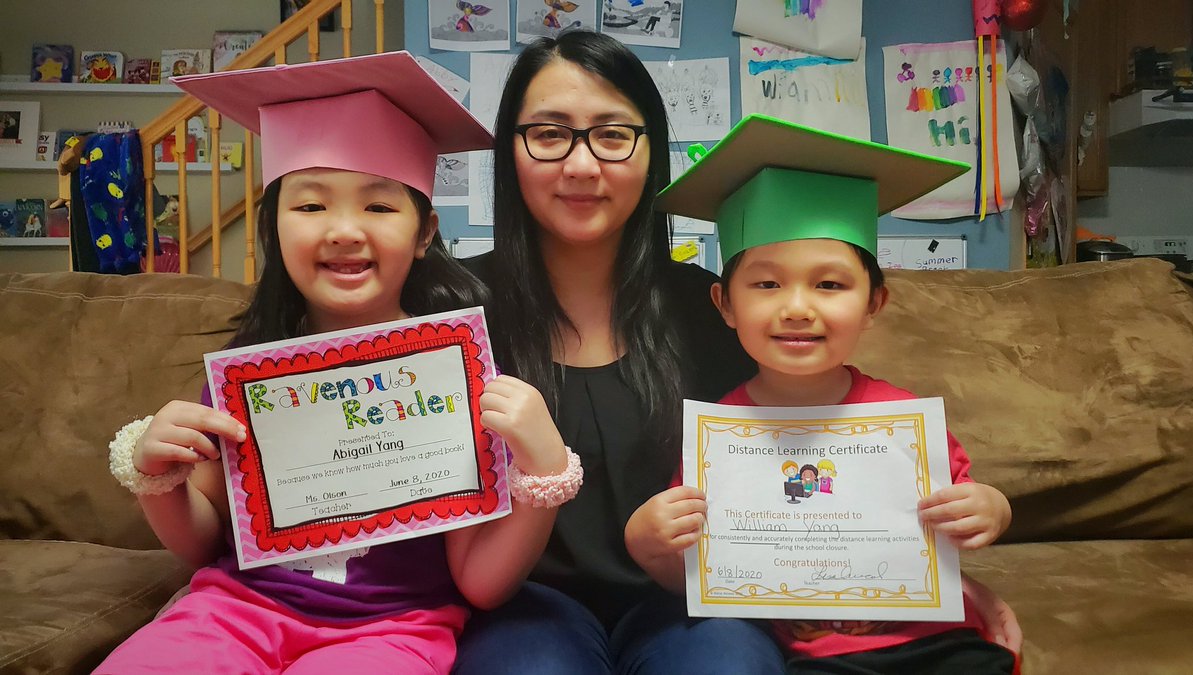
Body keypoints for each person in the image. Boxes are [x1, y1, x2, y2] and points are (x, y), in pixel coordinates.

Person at [96, 52, 576, 674]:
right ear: (273, 225)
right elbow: (206, 541)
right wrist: (159, 480)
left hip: (393, 631)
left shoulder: (457, 376)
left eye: (378, 207)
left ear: (424, 232)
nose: (345, 230)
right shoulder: (252, 376)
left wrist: (545, 471)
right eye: (311, 205)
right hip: (233, 612)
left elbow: (480, 585)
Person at [629, 113, 1019, 673]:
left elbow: (963, 501)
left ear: (874, 303)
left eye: (830, 284)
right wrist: (651, 545)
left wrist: (993, 510)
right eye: (766, 283)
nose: (796, 307)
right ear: (725, 305)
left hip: (934, 639)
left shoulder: (901, 418)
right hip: (816, 656)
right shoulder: (717, 436)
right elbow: (700, 573)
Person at [452, 30, 783, 674]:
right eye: (549, 134)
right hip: (520, 608)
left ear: (651, 152)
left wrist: (920, 590)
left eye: (611, 134)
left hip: (684, 601)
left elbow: (826, 456)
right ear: (510, 152)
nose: (581, 165)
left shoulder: (718, 311)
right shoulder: (454, 312)